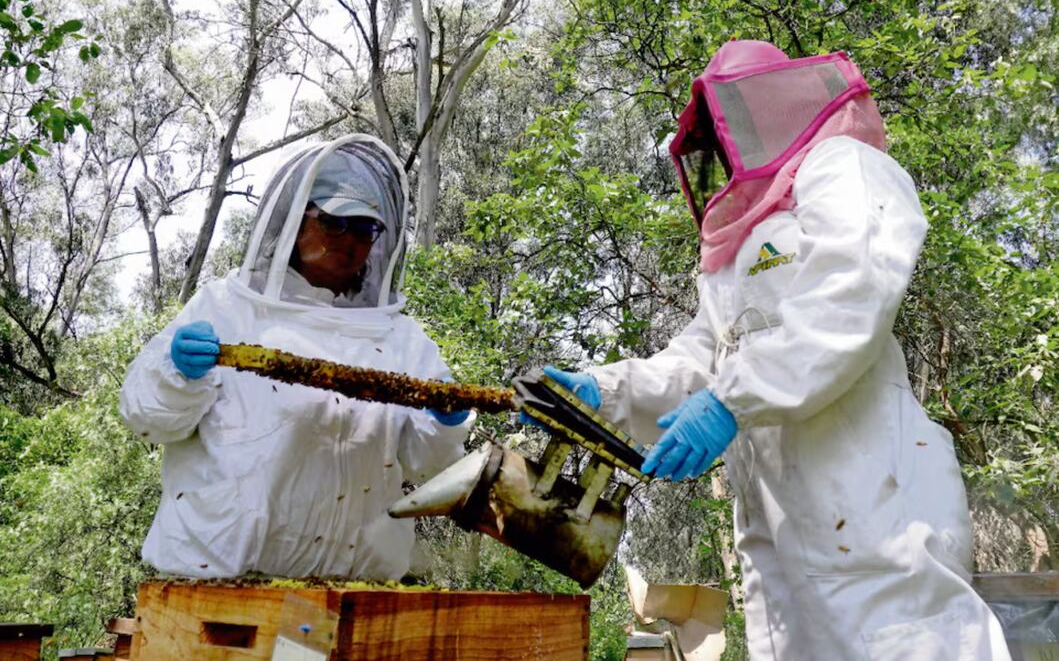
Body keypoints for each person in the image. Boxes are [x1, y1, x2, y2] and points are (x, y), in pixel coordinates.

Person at [528, 42, 1011, 659]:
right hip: (779, 544)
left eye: (730, 124)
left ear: (773, 105)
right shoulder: (736, 252)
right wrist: (601, 391)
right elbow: (700, 362)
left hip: (873, 513)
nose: (726, 146)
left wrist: (733, 398)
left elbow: (850, 292)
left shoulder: (842, 166)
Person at [120, 134, 472, 580]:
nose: (350, 241)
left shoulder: (401, 338)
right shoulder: (228, 307)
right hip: (219, 587)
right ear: (296, 221)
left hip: (354, 590)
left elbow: (430, 466)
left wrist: (445, 422)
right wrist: (176, 373)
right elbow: (147, 418)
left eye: (365, 230)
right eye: (335, 222)